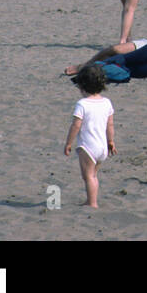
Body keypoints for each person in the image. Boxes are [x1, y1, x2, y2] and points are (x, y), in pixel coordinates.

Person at [64, 64, 116, 208]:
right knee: (93, 175)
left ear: (82, 86)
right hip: (102, 147)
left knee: (88, 176)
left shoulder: (82, 104)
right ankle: (91, 200)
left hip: (88, 147)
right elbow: (110, 125)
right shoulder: (106, 102)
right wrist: (111, 141)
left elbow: (76, 125)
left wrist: (69, 143)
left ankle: (92, 203)